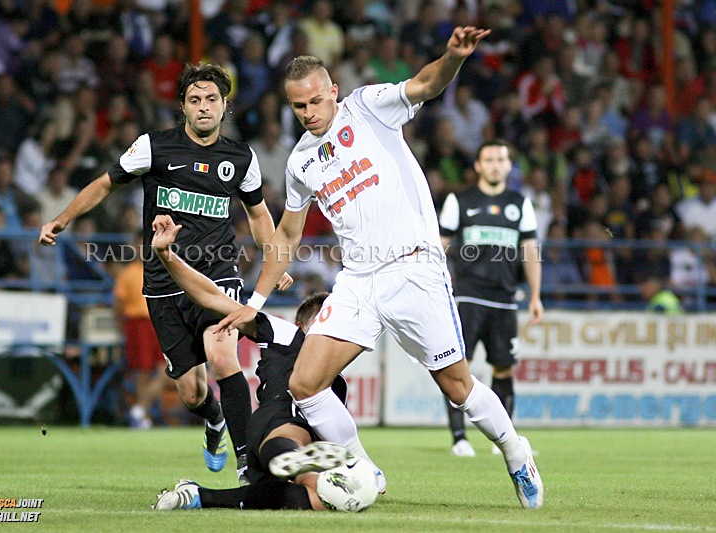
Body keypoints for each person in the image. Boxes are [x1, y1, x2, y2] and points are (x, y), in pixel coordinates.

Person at [217, 27, 544, 509]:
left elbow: (426, 84)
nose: (308, 114)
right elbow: (287, 236)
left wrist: (452, 57)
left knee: (457, 387)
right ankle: (362, 469)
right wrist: (256, 303)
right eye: (298, 107)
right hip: (357, 281)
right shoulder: (301, 161)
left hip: (413, 268)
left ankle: (516, 452)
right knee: (304, 385)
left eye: (314, 102)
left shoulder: (367, 106)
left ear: (333, 92)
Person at [39, 63, 292, 485]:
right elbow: (104, 183)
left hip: (217, 276)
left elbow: (259, 215)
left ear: (225, 106)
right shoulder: (153, 148)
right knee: (192, 393)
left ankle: (249, 463)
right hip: (163, 285)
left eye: (212, 99)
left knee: (224, 354)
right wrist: (62, 219)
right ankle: (213, 421)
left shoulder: (240, 157)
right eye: (195, 100)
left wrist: (274, 262)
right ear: (183, 107)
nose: (204, 107)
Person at [148, 214, 361, 511]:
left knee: (310, 502)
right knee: (302, 454)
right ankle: (300, 467)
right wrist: (166, 256)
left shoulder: (335, 376)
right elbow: (212, 297)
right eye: (323, 320)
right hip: (275, 427)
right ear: (301, 324)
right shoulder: (285, 334)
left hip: (285, 448)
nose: (331, 329)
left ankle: (198, 496)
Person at [437, 140, 543, 457]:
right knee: (458, 370)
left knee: (504, 369)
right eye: (489, 159)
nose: (496, 164)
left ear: (509, 166)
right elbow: (439, 247)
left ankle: (504, 440)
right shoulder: (460, 200)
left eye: (501, 159)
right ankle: (459, 439)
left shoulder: (520, 203)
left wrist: (536, 296)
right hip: (468, 298)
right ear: (478, 166)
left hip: (505, 300)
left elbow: (530, 252)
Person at [113, 231, 168, 429]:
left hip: (159, 322)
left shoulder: (161, 270)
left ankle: (139, 408)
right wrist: (123, 327)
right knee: (142, 372)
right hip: (138, 323)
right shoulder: (128, 273)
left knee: (166, 370)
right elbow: (118, 304)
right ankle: (141, 416)